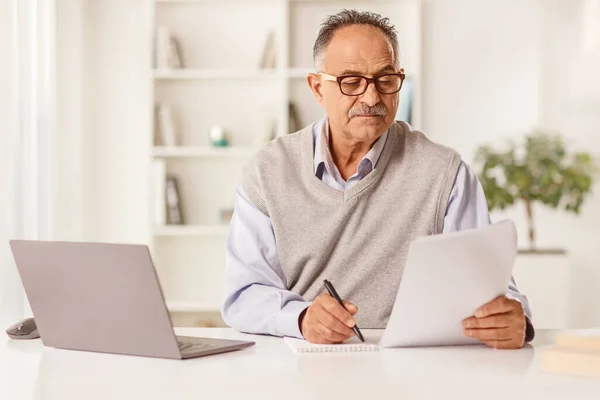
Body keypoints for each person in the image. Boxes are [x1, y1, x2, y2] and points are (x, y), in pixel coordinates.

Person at [221, 9, 534, 349]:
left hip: (417, 364)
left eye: (385, 80)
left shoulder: (446, 173)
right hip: (305, 359)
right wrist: (301, 318)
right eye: (351, 82)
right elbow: (244, 293)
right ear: (317, 88)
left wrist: (516, 318)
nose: (371, 98)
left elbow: (490, 287)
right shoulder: (268, 171)